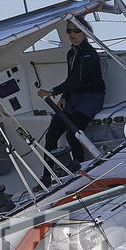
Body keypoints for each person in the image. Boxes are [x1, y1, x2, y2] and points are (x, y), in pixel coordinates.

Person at [44, 19, 104, 178]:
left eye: (76, 31)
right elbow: (70, 77)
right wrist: (63, 96)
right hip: (73, 97)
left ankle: (80, 172)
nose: (72, 34)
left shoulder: (88, 54)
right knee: (51, 137)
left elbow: (76, 79)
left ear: (85, 31)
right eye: (69, 31)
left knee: (73, 134)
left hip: (91, 97)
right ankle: (47, 177)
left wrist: (52, 91)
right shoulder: (72, 52)